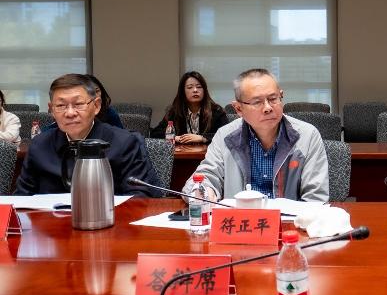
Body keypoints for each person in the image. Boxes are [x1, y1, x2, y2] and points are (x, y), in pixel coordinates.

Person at [183, 68, 328, 202]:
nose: (268, 108)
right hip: (240, 220)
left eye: (273, 99)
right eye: (257, 102)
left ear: (281, 96)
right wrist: (202, 192)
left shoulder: (307, 136)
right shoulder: (225, 136)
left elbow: (315, 199)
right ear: (239, 109)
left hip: (289, 220)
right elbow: (205, 177)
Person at [15, 74, 161, 196]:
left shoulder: (124, 142)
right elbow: (22, 197)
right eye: (60, 106)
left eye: (78, 104)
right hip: (50, 221)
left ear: (96, 106)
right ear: (51, 110)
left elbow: (140, 197)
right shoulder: (39, 145)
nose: (70, 113)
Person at [151, 71, 228, 144]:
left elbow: (227, 134)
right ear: (183, 92)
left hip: (208, 152)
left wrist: (203, 138)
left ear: (204, 90)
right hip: (181, 153)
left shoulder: (216, 111)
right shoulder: (175, 111)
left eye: (199, 87)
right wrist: (174, 137)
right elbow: (155, 133)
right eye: (190, 87)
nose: (195, 90)